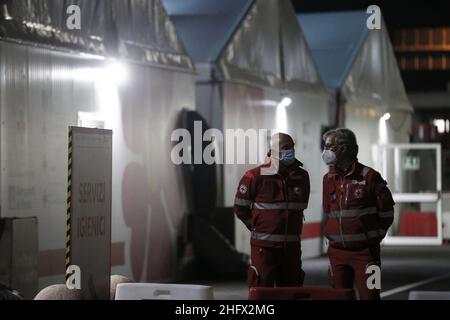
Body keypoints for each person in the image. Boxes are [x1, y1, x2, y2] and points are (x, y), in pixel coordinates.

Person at [321, 128, 395, 300]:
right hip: (337, 253)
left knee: (371, 296)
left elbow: (387, 211)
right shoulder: (328, 179)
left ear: (344, 148)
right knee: (339, 297)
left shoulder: (370, 177)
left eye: (329, 146)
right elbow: (328, 211)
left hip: (367, 253)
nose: (325, 151)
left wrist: (374, 236)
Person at [234, 133, 310, 287]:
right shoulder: (254, 176)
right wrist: (256, 226)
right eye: (286, 148)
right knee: (262, 291)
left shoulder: (302, 177)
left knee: (291, 292)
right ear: (273, 150)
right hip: (264, 249)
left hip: (291, 249)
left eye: (292, 147)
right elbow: (240, 208)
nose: (291, 151)